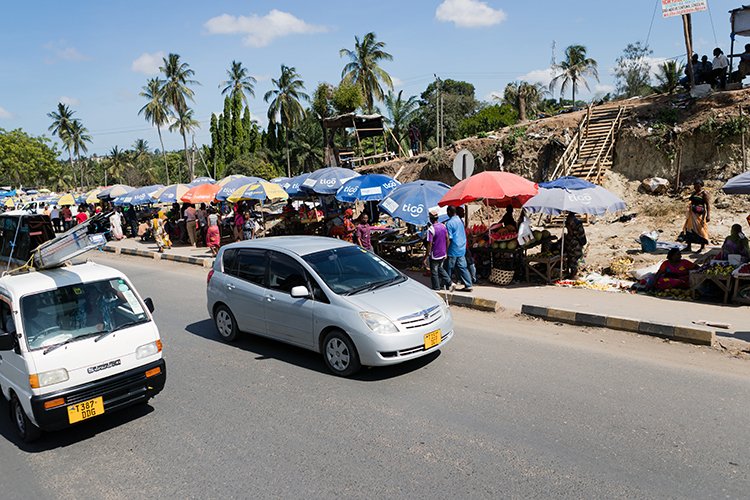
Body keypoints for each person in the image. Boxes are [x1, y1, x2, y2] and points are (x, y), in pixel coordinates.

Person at [445, 206, 472, 291]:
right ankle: (468, 284)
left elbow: (449, 238)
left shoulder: (449, 223)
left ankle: (448, 283)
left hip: (453, 248)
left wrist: (446, 250)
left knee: (449, 267)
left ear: (449, 212)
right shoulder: (460, 220)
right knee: (462, 266)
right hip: (462, 247)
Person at [424, 211, 452, 290]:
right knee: (440, 268)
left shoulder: (431, 229)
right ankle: (450, 282)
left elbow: (429, 244)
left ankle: (436, 287)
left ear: (430, 219)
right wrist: (446, 251)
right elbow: (447, 239)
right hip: (443, 253)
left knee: (434, 272)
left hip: (435, 254)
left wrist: (426, 256)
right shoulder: (443, 226)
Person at [681, 180, 710, 253]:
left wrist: (708, 215)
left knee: (701, 229)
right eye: (694, 185)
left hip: (699, 215)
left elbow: (707, 205)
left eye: (697, 185)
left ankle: (702, 246)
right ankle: (689, 246)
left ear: (701, 185)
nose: (695, 187)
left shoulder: (704, 193)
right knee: (689, 229)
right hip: (692, 214)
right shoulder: (694, 193)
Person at [563, 212, 587, 279]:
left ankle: (571, 273)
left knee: (571, 258)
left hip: (569, 241)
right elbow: (581, 235)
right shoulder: (576, 222)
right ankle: (573, 274)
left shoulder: (568, 220)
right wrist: (583, 242)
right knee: (575, 258)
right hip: (574, 243)